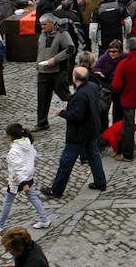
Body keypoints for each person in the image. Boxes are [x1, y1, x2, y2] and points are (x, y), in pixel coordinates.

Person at [42, 67, 108, 198]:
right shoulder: (92, 86)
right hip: (92, 129)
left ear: (74, 78)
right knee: (94, 157)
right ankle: (100, 182)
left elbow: (76, 116)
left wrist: (61, 112)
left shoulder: (80, 95)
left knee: (66, 162)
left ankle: (56, 190)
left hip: (79, 134)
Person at [0, 124, 52, 232]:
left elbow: (19, 167)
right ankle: (44, 219)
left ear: (11, 136)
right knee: (33, 198)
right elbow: (33, 156)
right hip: (28, 176)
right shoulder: (28, 144)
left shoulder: (14, 151)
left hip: (18, 180)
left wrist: (24, 183)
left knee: (8, 202)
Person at [33, 17, 73, 131]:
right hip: (43, 72)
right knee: (42, 98)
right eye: (41, 25)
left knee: (64, 95)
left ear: (52, 23)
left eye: (45, 24)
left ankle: (77, 114)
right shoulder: (43, 34)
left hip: (58, 72)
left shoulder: (62, 33)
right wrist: (37, 67)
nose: (42, 27)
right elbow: (40, 51)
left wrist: (55, 59)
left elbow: (70, 49)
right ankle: (42, 123)